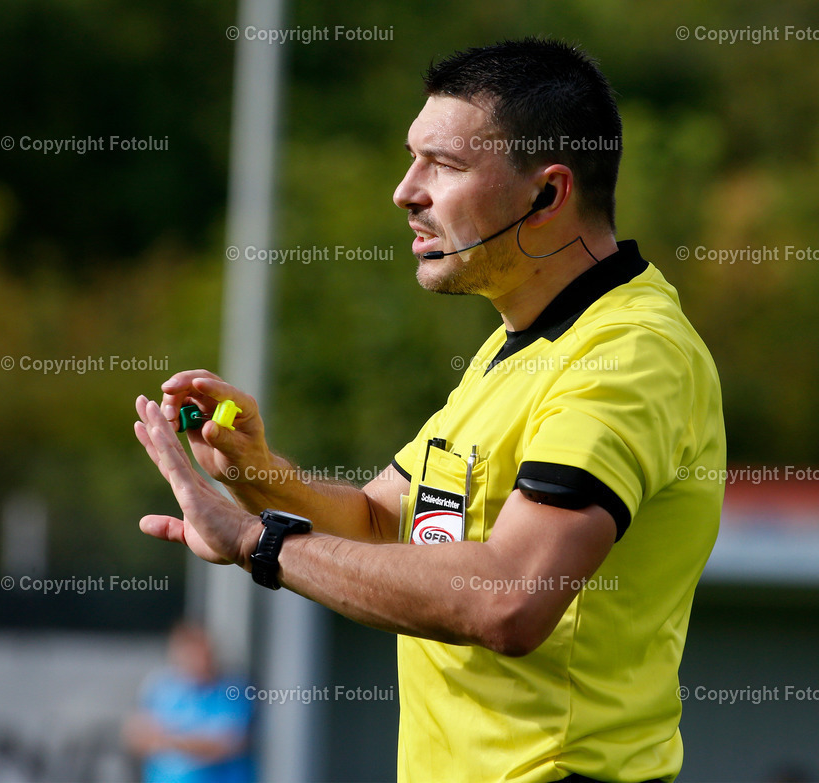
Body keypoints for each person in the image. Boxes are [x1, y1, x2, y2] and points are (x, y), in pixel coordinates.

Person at [133, 37, 725, 783]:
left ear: (547, 194)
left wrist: (258, 541)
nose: (405, 191)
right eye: (411, 159)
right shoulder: (512, 347)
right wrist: (254, 472)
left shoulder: (630, 355)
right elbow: (379, 524)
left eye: (442, 164)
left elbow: (510, 599)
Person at [123, 622, 254, 783]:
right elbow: (135, 736)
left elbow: (222, 745)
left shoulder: (232, 690)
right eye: (190, 655)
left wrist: (168, 740)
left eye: (203, 655)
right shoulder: (161, 687)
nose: (200, 662)